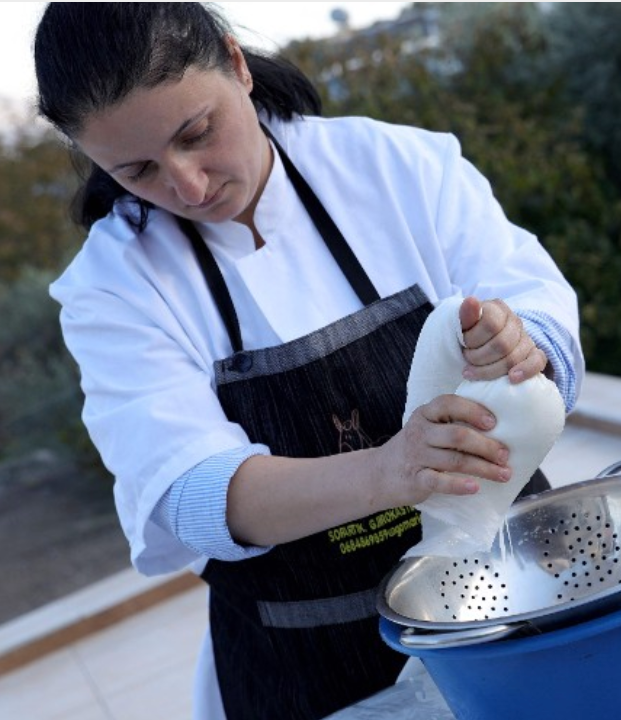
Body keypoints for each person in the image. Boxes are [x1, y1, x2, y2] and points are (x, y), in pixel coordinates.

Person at [33, 4, 583, 719]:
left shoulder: (393, 167)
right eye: (137, 170)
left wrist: (521, 339)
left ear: (236, 64)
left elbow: (532, 297)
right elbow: (189, 492)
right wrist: (389, 471)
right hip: (306, 662)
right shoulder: (113, 288)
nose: (189, 187)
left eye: (196, 133)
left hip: (520, 594)